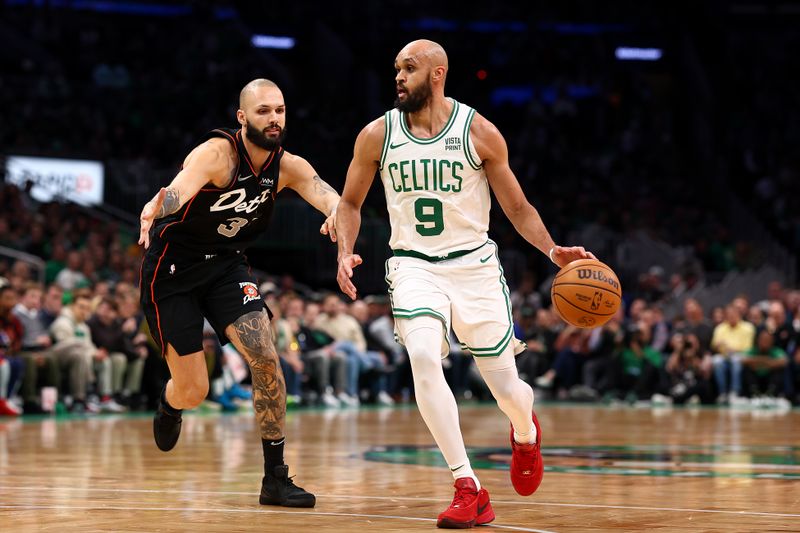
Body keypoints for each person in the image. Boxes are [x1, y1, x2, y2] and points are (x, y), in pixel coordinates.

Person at [335, 40, 595, 528]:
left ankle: (525, 431)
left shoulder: (479, 132)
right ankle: (467, 485)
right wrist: (344, 249)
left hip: (474, 267)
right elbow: (349, 203)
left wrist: (553, 251)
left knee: (506, 390)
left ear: (437, 75)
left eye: (408, 69)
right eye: (396, 68)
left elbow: (517, 208)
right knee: (422, 356)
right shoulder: (376, 135)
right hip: (413, 264)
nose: (398, 77)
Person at [137, 78, 339, 508]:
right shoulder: (218, 154)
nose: (274, 118)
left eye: (280, 110)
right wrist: (159, 204)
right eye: (264, 110)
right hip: (174, 271)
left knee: (265, 356)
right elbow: (181, 187)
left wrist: (341, 220)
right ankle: (171, 403)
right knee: (195, 391)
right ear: (243, 117)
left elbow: (327, 196)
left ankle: (275, 479)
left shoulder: (288, 166)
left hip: (227, 267)